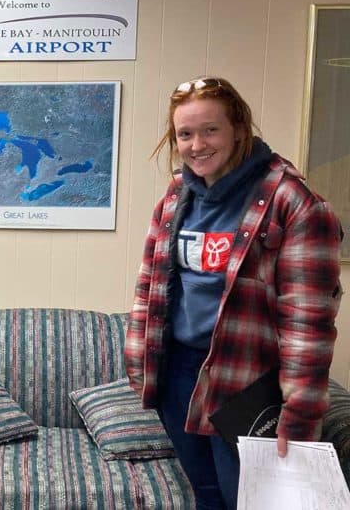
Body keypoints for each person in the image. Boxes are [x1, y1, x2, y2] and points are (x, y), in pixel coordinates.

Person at [124, 77, 343, 509]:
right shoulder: (176, 196)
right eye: (185, 134)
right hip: (179, 372)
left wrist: (300, 410)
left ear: (239, 129)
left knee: (252, 500)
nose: (197, 145)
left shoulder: (292, 201)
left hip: (248, 383)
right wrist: (139, 362)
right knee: (205, 494)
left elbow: (308, 321)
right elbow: (149, 282)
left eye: (211, 130)